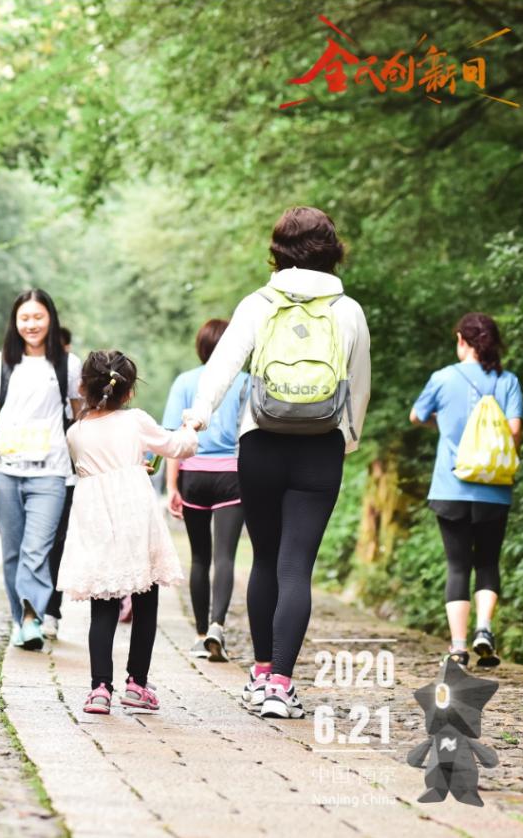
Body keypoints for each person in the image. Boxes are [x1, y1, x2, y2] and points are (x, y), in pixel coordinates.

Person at [183, 206, 371, 720]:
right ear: (332, 248)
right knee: (296, 567)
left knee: (264, 559)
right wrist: (347, 438)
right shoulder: (348, 310)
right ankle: (281, 688)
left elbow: (222, 367)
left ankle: (261, 674)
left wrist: (198, 417)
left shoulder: (258, 303)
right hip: (321, 445)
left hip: (261, 442)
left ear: (278, 248)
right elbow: (359, 384)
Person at [58, 350, 197, 714]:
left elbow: (96, 465)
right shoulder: (136, 420)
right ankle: (137, 683)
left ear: (82, 387)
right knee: (145, 598)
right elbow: (178, 447)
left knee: (103, 605)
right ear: (129, 391)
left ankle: (99, 689)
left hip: (95, 518)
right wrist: (191, 425)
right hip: (135, 514)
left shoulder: (76, 432)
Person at [0, 289, 82, 651]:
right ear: (15, 322)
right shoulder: (1, 362)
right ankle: (22, 620)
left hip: (51, 472)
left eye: (38, 317)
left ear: (51, 319)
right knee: (13, 551)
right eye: (24, 318)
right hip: (3, 470)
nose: (31, 324)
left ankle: (32, 617)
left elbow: (80, 417)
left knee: (37, 548)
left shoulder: (68, 365)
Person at [410, 313, 523, 668]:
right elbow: (515, 431)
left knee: (457, 566)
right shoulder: (507, 381)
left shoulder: (443, 378)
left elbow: (416, 415)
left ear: (462, 339)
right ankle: (484, 629)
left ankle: (458, 647)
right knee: (487, 562)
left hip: (450, 486)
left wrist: (443, 424)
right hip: (494, 489)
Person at [163, 319, 248, 662]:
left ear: (201, 346)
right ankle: (216, 626)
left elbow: (174, 437)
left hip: (193, 475)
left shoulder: (185, 381)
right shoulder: (246, 382)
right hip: (232, 475)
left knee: (199, 557)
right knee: (225, 556)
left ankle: (200, 636)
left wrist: (172, 486)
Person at [42, 327, 75, 640]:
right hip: (30, 471)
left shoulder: (71, 373)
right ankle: (30, 609)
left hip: (65, 475)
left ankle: (51, 610)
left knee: (56, 544)